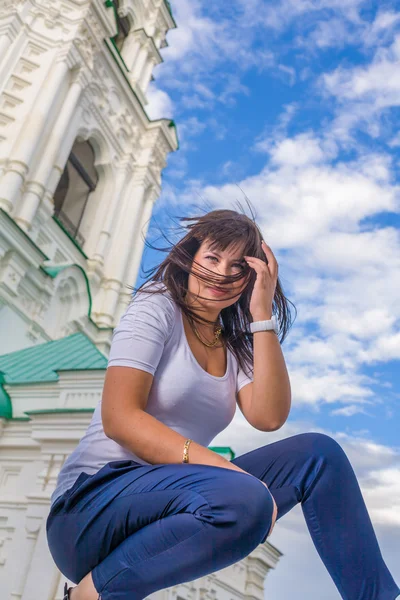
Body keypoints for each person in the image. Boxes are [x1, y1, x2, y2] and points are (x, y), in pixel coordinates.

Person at [46, 209, 400, 600]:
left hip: (171, 500)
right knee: (243, 498)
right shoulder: (157, 305)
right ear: (191, 257)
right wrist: (229, 473)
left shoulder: (233, 343)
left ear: (252, 278)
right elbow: (120, 418)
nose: (222, 274)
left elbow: (268, 417)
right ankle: (88, 595)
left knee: (319, 455)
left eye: (238, 267)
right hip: (91, 506)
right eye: (213, 258)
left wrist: (261, 314)